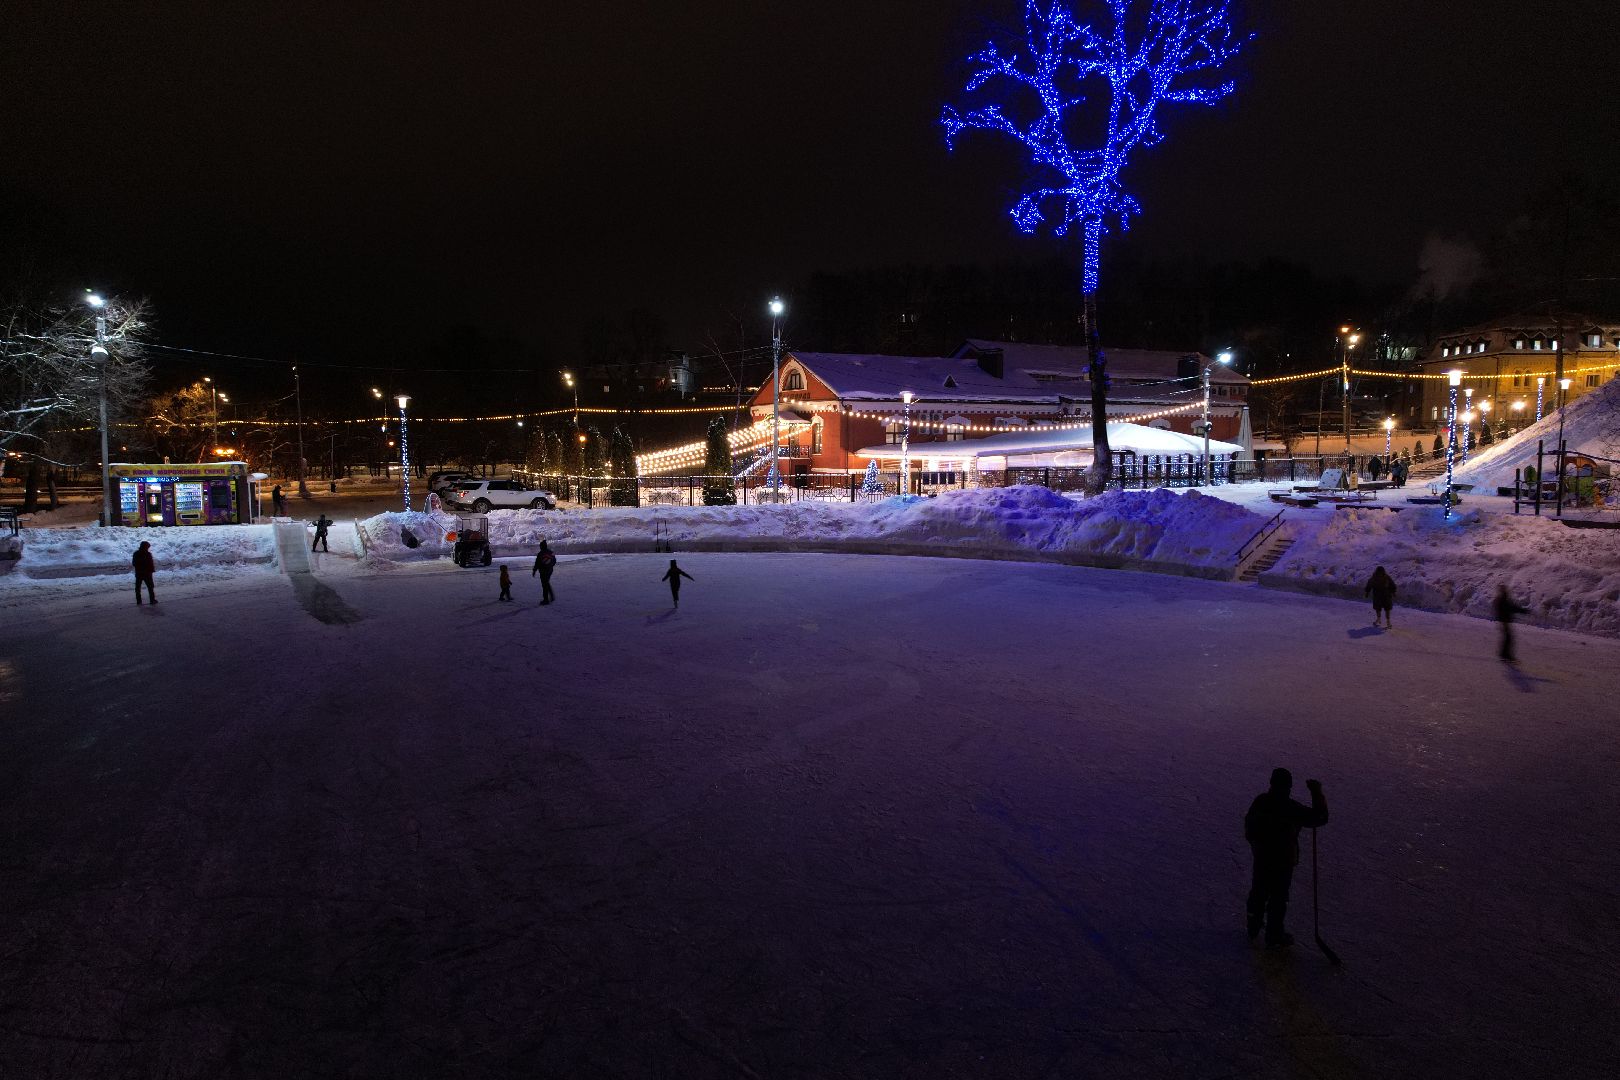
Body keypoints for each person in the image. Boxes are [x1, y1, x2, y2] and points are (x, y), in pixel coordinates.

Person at [1245, 768, 1328, 948]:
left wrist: (1255, 843)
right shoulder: (1291, 809)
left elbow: (1248, 826)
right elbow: (1319, 818)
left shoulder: (1260, 802)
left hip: (1262, 857)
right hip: (1283, 861)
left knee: (1259, 891)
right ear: (1288, 787)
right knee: (1278, 897)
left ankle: (1253, 924)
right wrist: (1317, 793)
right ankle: (1274, 935)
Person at [1495, 583, 1530, 663]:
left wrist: (1523, 611)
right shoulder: (1503, 599)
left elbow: (1512, 607)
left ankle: (1504, 654)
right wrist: (1524, 611)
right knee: (1509, 638)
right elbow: (1512, 608)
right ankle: (1506, 655)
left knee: (1508, 638)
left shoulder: (1502, 599)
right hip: (1505, 621)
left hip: (1503, 621)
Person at [132, 540, 157, 605]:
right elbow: (151, 564)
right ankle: (152, 600)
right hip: (147, 574)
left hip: (139, 573)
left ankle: (139, 601)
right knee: (150, 587)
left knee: (138, 588)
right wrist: (151, 570)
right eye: (147, 547)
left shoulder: (136, 553)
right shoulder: (148, 554)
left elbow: (134, 563)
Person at [532, 540, 557, 604]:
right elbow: (554, 561)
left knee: (544, 584)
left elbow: (537, 563)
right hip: (550, 571)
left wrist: (534, 571)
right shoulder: (551, 552)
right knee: (546, 583)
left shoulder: (540, 554)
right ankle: (551, 596)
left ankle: (546, 600)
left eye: (540, 546)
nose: (540, 547)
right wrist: (550, 566)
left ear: (542, 546)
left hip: (543, 571)